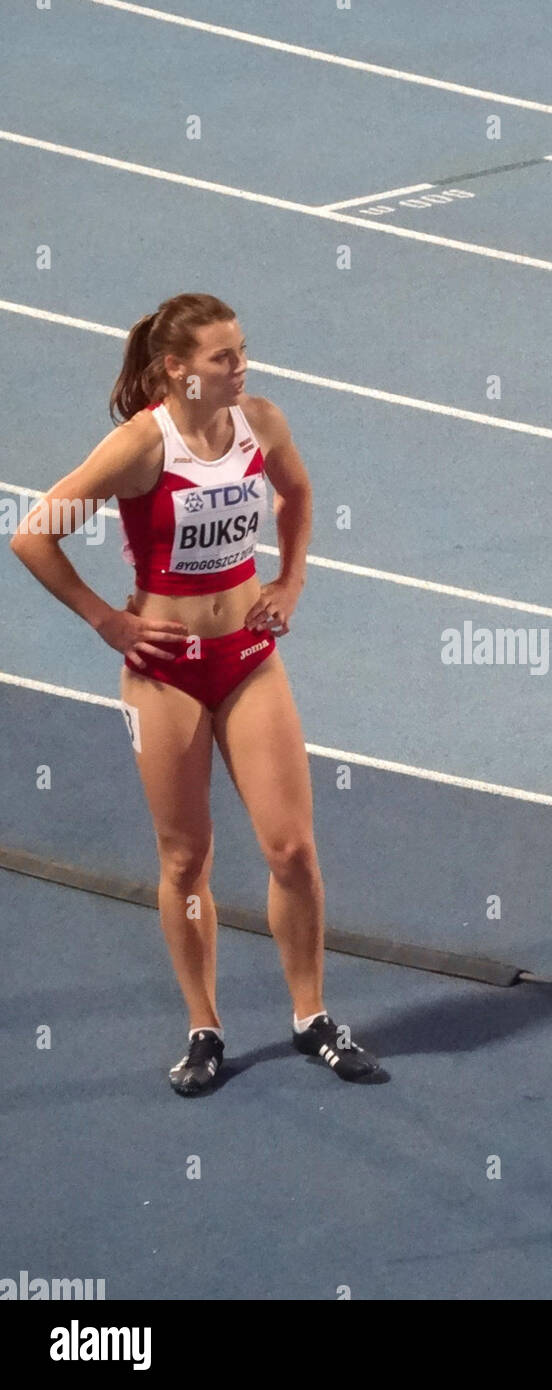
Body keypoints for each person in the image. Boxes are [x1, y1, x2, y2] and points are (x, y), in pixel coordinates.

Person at [10, 292, 382, 1093]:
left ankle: (311, 1015)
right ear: (176, 370)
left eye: (241, 349)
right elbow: (33, 534)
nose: (240, 365)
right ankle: (204, 1027)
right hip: (166, 673)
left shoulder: (262, 421)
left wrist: (289, 578)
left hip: (248, 656)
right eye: (223, 357)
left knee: (291, 848)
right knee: (187, 858)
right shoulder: (141, 446)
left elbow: (298, 497)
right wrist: (109, 622)